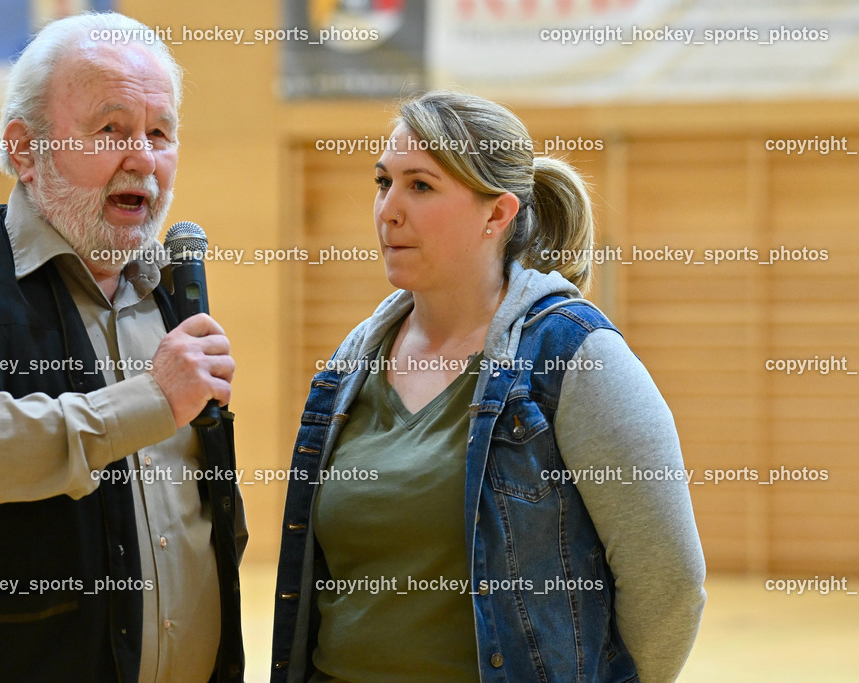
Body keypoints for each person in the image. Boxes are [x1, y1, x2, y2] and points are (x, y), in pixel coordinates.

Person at [0, 12, 246, 682]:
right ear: (24, 149)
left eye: (160, 132)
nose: (144, 158)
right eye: (111, 129)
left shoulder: (169, 296)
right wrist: (150, 400)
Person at [271, 91, 706, 682]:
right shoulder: (351, 364)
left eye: (420, 186)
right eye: (383, 182)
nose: (388, 210)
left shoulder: (573, 354)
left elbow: (668, 579)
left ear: (497, 214)